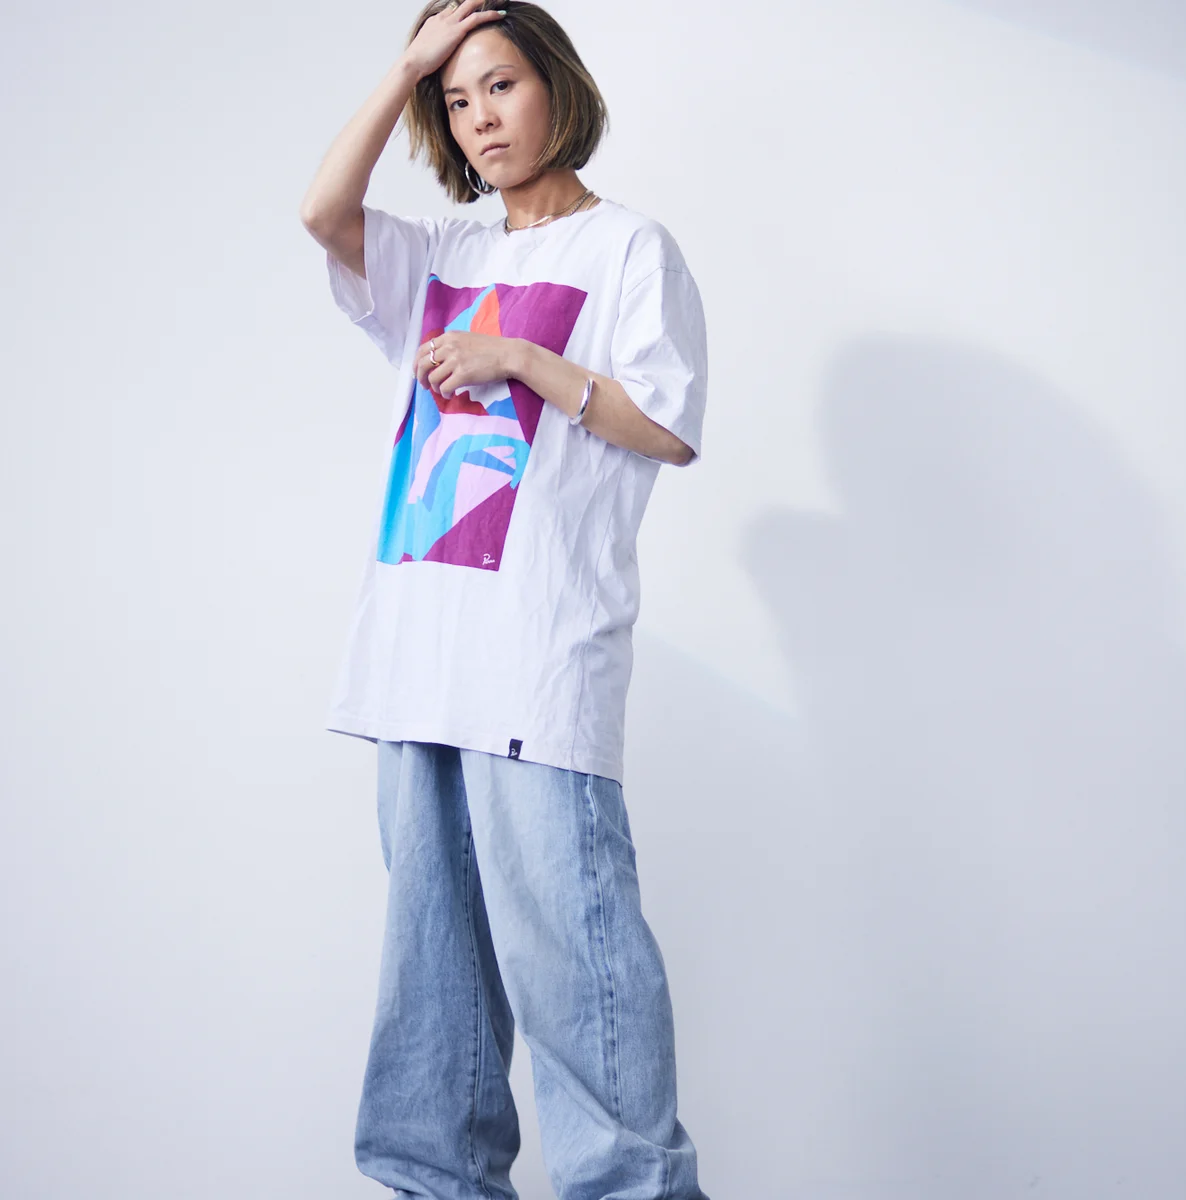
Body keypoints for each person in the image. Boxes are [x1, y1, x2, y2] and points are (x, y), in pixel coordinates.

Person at [300, 1, 710, 1196]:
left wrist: (523, 359)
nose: (480, 116)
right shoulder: (444, 255)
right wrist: (406, 68)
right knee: (429, 1000)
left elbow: (669, 425)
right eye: (456, 98)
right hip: (417, 667)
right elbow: (322, 212)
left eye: (501, 84)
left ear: (555, 88)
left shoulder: (628, 250)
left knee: (580, 978)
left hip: (536, 666)